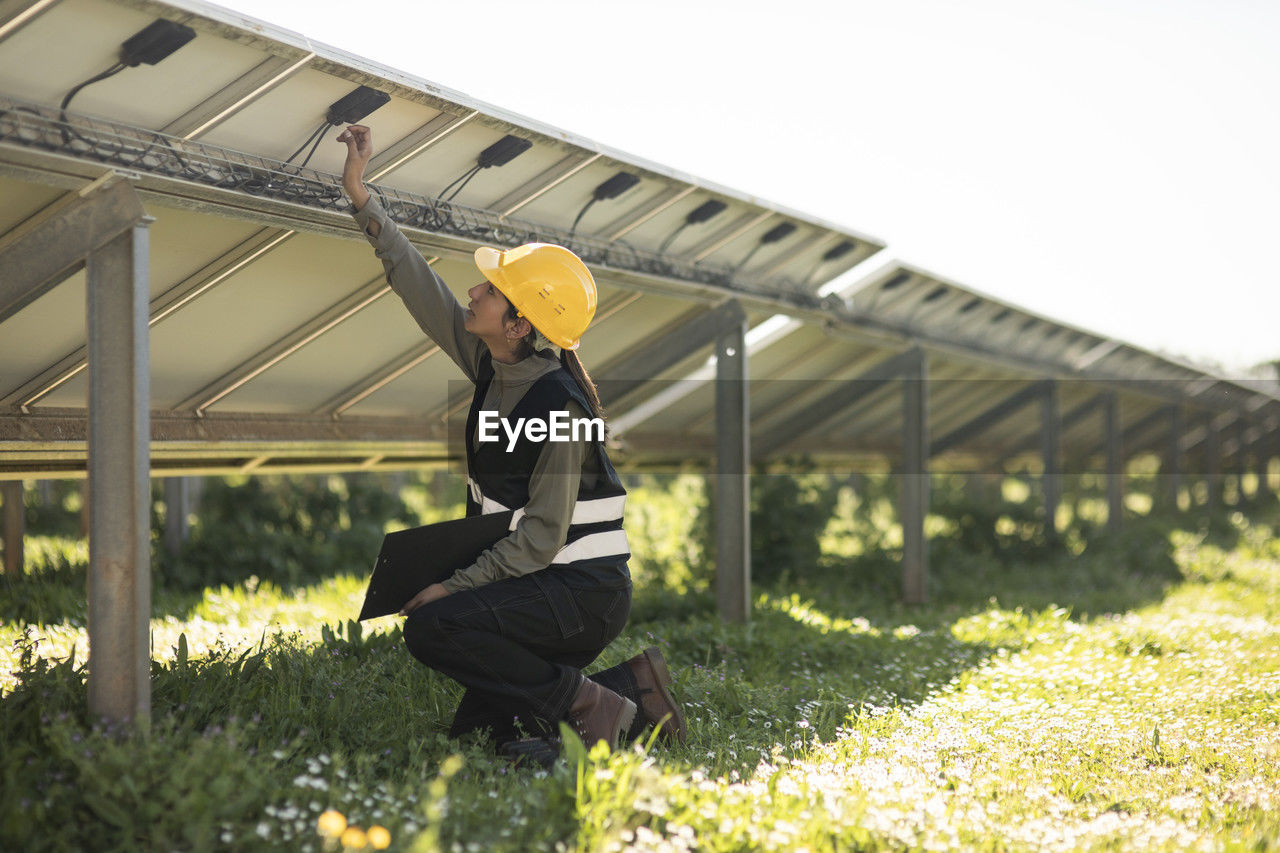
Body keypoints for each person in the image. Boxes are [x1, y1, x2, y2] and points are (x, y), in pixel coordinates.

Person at [337, 124, 686, 754]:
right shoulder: (491, 368)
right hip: (546, 583)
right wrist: (364, 201)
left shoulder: (559, 407)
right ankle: (631, 693)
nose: (474, 290)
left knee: (434, 628)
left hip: (582, 594)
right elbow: (422, 289)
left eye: (491, 291)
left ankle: (590, 705)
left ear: (521, 323)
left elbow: (542, 537)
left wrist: (453, 587)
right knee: (485, 733)